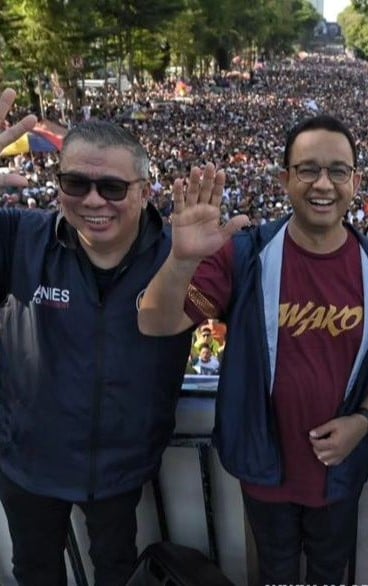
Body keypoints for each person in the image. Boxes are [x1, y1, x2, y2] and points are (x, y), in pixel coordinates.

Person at [137, 114, 368, 585]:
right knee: (276, 573)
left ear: (355, 182)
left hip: (339, 471)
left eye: (337, 171)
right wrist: (182, 260)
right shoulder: (244, 254)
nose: (323, 183)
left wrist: (363, 420)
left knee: (329, 573)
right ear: (284, 179)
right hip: (263, 467)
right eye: (307, 169)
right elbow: (156, 321)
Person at [0, 89, 193, 585]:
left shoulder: (181, 256)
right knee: (35, 572)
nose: (92, 200)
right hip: (27, 462)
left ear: (145, 191)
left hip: (122, 468)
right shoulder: (20, 236)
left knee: (116, 569)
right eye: (75, 182)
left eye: (111, 187)